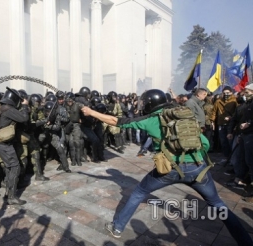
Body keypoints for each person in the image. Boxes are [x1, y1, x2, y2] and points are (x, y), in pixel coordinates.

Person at [80, 89, 253, 245]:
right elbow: (205, 143)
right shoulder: (185, 114)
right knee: (217, 203)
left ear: (149, 104)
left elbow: (116, 121)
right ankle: (245, 241)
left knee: (139, 192)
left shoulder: (151, 119)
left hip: (169, 170)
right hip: (198, 168)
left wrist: (91, 112)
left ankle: (117, 228)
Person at [0, 88, 29, 205]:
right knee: (15, 166)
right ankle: (11, 197)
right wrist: (25, 106)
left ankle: (8, 190)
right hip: (3, 143)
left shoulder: (2, 108)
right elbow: (23, 118)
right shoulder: (8, 109)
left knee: (9, 167)